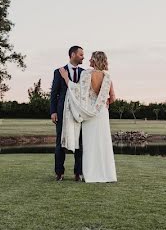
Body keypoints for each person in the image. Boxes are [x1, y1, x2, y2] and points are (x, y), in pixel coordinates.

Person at [59, 50, 117, 183]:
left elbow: (77, 92)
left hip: (89, 114)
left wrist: (66, 77)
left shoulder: (86, 74)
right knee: (103, 143)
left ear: (95, 60)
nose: (89, 60)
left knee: (90, 144)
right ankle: (107, 175)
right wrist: (106, 101)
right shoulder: (108, 77)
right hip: (102, 113)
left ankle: (91, 175)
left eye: (91, 58)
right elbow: (113, 97)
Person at [50, 46, 85, 181]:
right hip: (61, 112)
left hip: (79, 113)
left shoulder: (84, 73)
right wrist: (53, 111)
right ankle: (59, 173)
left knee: (80, 143)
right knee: (60, 142)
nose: (83, 57)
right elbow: (54, 93)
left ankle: (78, 173)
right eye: (81, 54)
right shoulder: (59, 72)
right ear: (73, 54)